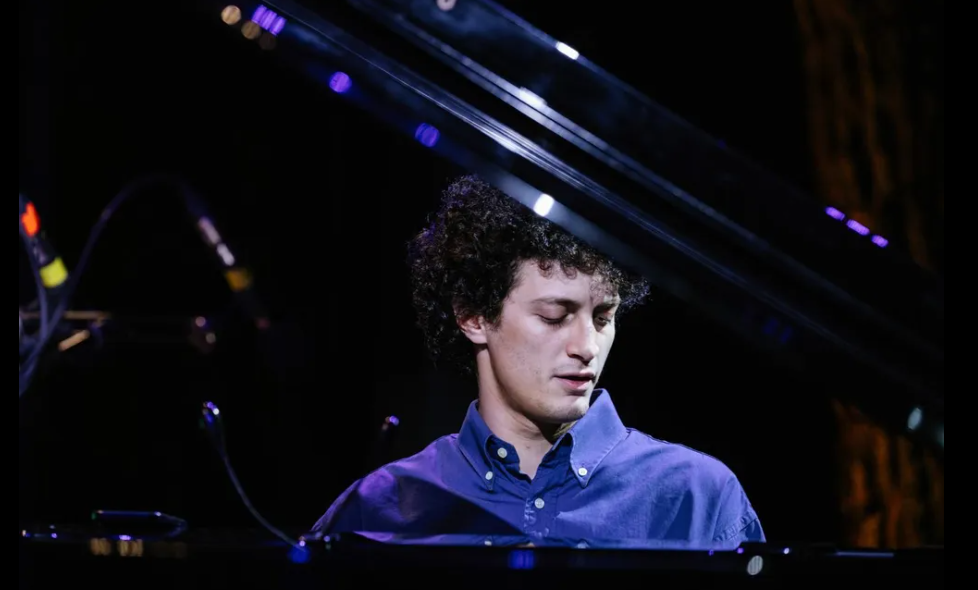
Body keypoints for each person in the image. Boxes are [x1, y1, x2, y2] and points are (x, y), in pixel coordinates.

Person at [311, 176, 764, 548]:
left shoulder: (696, 497)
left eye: (603, 318)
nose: (587, 346)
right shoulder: (380, 509)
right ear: (473, 316)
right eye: (554, 316)